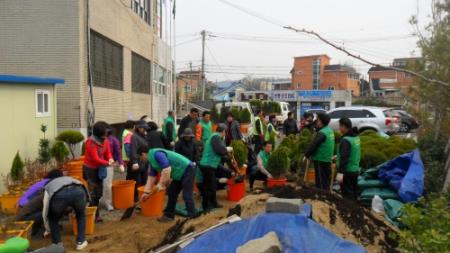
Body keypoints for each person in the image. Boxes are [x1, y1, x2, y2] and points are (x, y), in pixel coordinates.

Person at [141, 148, 196, 222]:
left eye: (140, 157)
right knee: (172, 192)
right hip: (179, 173)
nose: (141, 160)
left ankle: (193, 217)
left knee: (186, 195)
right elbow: (151, 177)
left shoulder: (157, 154)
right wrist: (146, 192)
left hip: (187, 168)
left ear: (143, 154)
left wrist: (161, 184)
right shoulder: (152, 161)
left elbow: (167, 168)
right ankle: (169, 216)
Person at [42, 176, 90, 251]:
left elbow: (45, 210)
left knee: (53, 219)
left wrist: (47, 228)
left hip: (59, 195)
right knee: (81, 215)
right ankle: (81, 242)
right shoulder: (68, 178)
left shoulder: (48, 186)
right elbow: (84, 189)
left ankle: (57, 245)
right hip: (79, 190)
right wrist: (80, 208)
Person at [16, 170, 63, 239]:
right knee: (48, 211)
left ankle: (48, 227)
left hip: (25, 207)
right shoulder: (48, 184)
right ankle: (36, 232)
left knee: (48, 208)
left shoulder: (44, 182)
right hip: (25, 211)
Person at [83, 121, 113, 222]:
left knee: (99, 193)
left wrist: (110, 159)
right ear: (99, 133)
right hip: (90, 170)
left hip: (99, 168)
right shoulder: (90, 143)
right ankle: (94, 215)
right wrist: (107, 163)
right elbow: (95, 159)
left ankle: (93, 213)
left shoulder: (105, 140)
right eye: (105, 133)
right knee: (93, 193)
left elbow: (108, 152)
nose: (106, 135)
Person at [199, 124, 231, 211]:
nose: (225, 134)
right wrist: (227, 149)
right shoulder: (216, 137)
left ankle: (213, 203)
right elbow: (219, 150)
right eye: (225, 132)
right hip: (207, 165)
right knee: (208, 187)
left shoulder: (215, 137)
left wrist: (228, 158)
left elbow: (217, 153)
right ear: (223, 131)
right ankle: (206, 206)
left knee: (213, 186)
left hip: (210, 165)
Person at [304, 113, 335, 190]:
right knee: (325, 180)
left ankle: (322, 197)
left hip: (320, 159)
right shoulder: (329, 130)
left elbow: (314, 145)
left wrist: (306, 155)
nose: (316, 121)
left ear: (321, 121)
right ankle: (326, 196)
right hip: (327, 159)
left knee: (320, 182)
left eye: (317, 120)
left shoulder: (322, 133)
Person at [336, 118, 361, 200]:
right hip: (355, 169)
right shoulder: (356, 137)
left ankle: (350, 210)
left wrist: (340, 174)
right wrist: (337, 156)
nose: (339, 128)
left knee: (347, 194)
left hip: (347, 171)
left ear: (343, 126)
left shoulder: (345, 140)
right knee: (354, 191)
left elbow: (344, 158)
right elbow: (353, 152)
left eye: (340, 126)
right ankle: (356, 208)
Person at [128, 120, 150, 202]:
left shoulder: (144, 136)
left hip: (145, 162)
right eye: (143, 128)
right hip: (137, 162)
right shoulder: (134, 137)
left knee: (145, 180)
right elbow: (133, 150)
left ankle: (142, 198)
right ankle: (134, 199)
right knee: (137, 181)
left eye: (145, 128)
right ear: (139, 128)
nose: (145, 130)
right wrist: (135, 162)